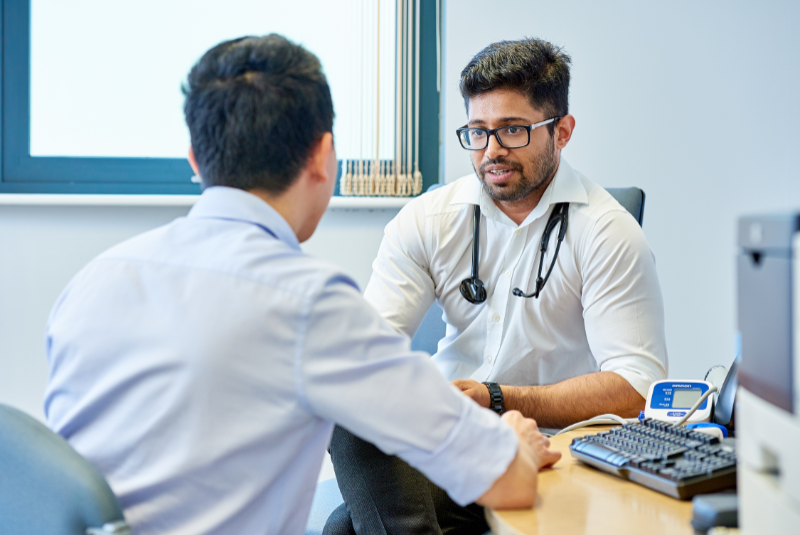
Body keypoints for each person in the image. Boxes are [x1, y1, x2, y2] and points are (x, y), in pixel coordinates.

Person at [43, 35, 561, 535]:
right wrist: (512, 442)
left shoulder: (95, 280)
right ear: (322, 155)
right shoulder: (308, 303)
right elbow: (509, 484)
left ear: (196, 161)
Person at [326, 38, 669, 534]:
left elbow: (637, 388)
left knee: (346, 529)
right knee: (348, 416)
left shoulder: (607, 232)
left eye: (512, 130)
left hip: (553, 450)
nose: (492, 152)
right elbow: (365, 351)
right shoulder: (428, 220)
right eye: (478, 132)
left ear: (563, 131)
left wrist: (497, 398)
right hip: (452, 445)